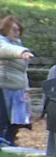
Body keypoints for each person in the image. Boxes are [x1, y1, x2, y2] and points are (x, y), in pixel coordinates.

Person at [0, 16, 34, 146]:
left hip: (17, 90)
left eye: (19, 30)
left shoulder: (17, 43)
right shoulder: (3, 42)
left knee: (14, 123)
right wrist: (22, 52)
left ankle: (10, 144)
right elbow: (5, 49)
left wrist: (26, 89)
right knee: (3, 121)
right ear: (6, 28)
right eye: (14, 29)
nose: (17, 33)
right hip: (3, 87)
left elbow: (22, 71)